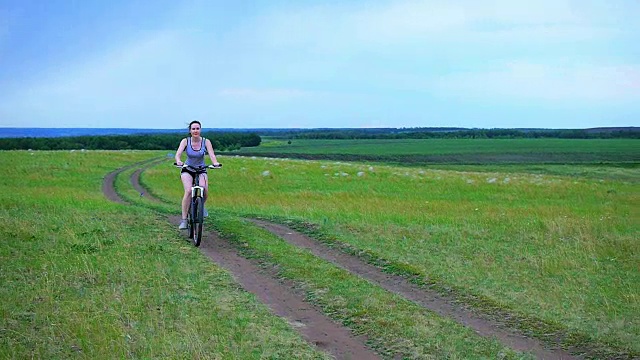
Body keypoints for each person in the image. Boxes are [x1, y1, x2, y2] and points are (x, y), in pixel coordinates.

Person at [174, 120, 220, 230]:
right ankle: (184, 220)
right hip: (188, 169)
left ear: (200, 130)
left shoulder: (206, 141)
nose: (195, 131)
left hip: (201, 169)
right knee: (189, 191)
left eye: (197, 128)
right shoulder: (185, 141)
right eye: (193, 129)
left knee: (204, 189)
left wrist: (215, 163)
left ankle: (201, 206)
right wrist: (179, 161)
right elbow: (178, 154)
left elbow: (212, 155)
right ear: (190, 131)